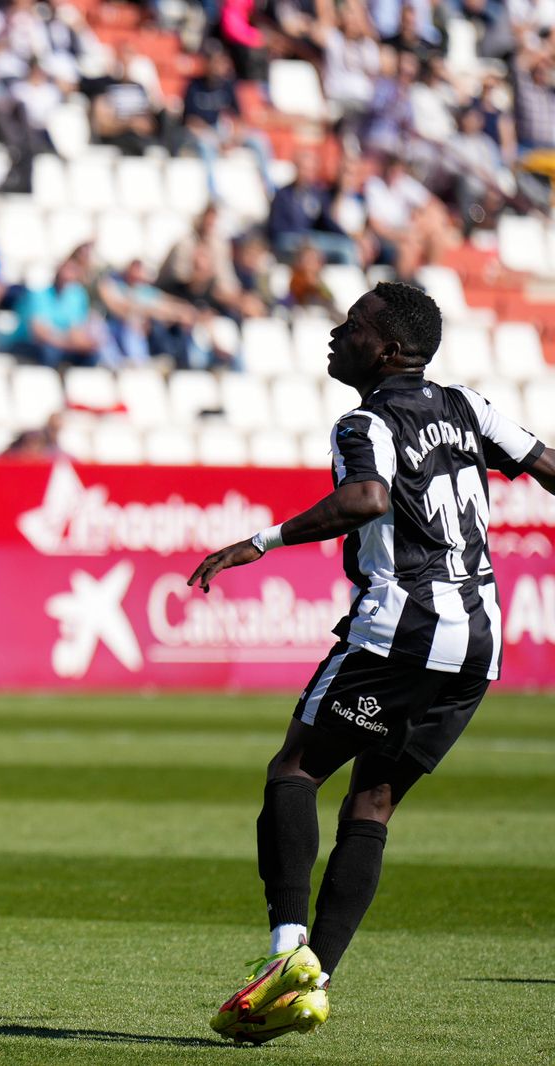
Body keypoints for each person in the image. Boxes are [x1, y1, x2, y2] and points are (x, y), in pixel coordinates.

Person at [188, 283, 555, 1045]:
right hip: (478, 641)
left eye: (352, 325)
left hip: (400, 632)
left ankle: (288, 952)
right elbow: (548, 463)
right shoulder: (467, 406)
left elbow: (364, 500)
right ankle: (308, 986)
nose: (337, 332)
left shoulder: (365, 421)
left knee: (295, 771)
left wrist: (260, 542)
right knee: (373, 803)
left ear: (386, 350)